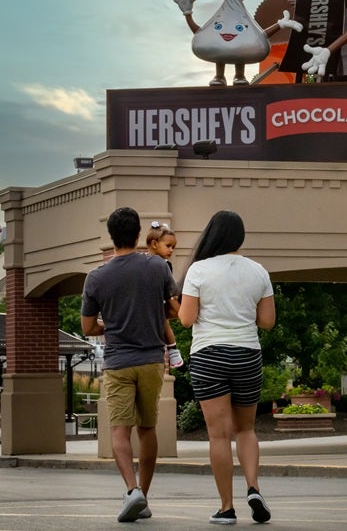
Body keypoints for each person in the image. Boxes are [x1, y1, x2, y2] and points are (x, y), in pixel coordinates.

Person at [81, 206, 179, 522]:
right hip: (152, 360)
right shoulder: (158, 267)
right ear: (139, 235)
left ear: (111, 237)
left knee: (120, 432)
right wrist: (148, 316)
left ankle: (131, 489)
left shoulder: (96, 277)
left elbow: (88, 328)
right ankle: (144, 497)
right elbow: (174, 311)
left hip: (118, 362)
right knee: (148, 428)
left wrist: (113, 325)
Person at [178, 210, 276, 525]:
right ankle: (254, 487)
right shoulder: (258, 271)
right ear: (240, 236)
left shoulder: (198, 270)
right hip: (247, 354)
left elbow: (186, 319)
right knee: (246, 429)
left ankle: (226, 508)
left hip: (209, 355)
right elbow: (267, 322)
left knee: (218, 436)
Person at [144, 222, 185, 368]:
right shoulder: (164, 265)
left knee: (163, 320)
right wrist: (182, 313)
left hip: (149, 304)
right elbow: (170, 294)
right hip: (157, 303)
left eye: (173, 247)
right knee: (164, 320)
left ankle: (173, 350)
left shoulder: (141, 261)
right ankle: (173, 349)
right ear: (154, 244)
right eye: (168, 246)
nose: (171, 250)